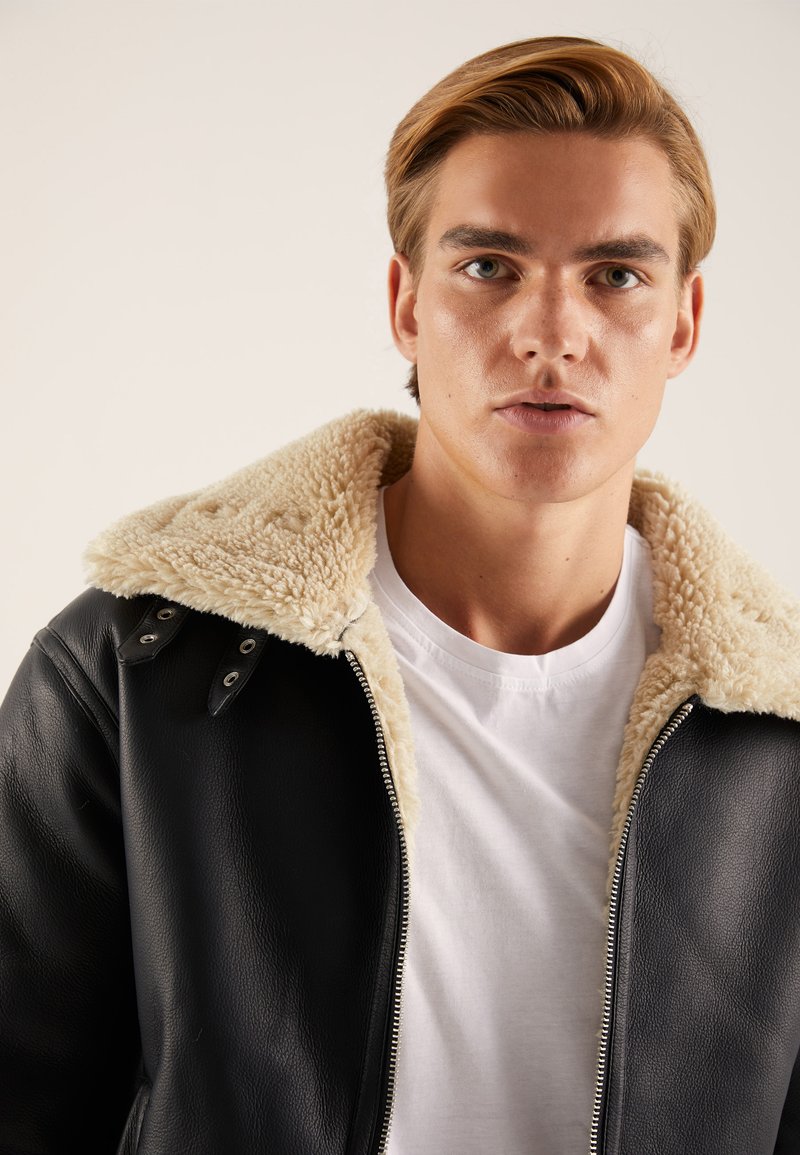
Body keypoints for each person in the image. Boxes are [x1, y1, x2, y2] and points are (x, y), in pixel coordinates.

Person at [1, 34, 798, 1155]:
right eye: (489, 267)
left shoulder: (777, 733)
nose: (551, 333)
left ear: (682, 324)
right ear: (406, 305)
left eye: (615, 275)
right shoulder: (134, 675)